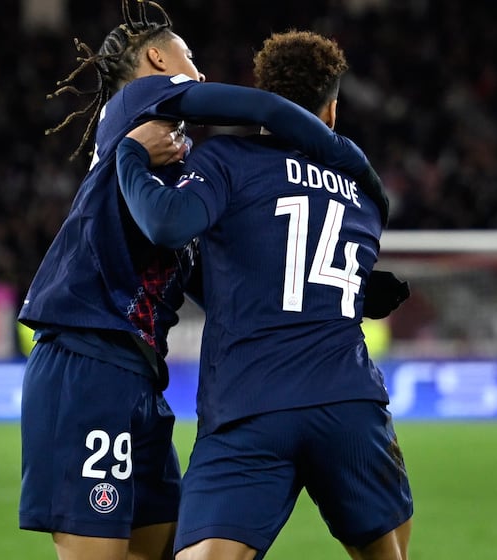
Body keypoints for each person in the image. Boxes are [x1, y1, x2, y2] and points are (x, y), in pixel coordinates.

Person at [16, 2, 389, 560]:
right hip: (87, 356)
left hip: (137, 373)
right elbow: (257, 106)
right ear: (157, 56)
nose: (201, 73)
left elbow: (206, 280)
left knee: (160, 547)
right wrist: (346, 158)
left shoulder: (173, 165)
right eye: (191, 59)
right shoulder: (136, 105)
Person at [117, 30, 412, 559]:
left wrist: (129, 158)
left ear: (266, 98)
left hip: (249, 404)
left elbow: (175, 230)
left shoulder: (225, 160)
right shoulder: (365, 192)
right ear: (332, 110)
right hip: (349, 404)